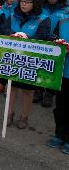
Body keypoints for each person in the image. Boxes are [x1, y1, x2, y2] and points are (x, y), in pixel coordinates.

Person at [4, 0, 51, 129]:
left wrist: (26, 38)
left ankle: (24, 116)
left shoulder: (43, 18)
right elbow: (3, 30)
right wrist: (12, 35)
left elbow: (43, 37)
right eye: (22, 1)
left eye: (27, 2)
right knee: (11, 86)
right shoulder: (13, 15)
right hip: (12, 57)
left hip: (30, 60)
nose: (23, 4)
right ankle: (9, 113)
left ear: (35, 4)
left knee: (27, 91)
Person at [45, 12, 69, 154]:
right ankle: (59, 134)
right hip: (62, 71)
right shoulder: (62, 21)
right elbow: (52, 38)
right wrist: (57, 43)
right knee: (60, 106)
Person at [0, 0, 22, 94]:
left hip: (16, 39)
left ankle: (10, 86)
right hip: (2, 38)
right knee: (3, 61)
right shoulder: (0, 10)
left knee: (14, 62)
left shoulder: (21, 10)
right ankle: (1, 82)